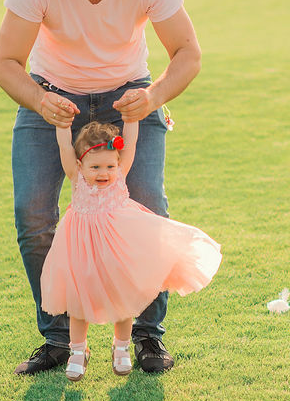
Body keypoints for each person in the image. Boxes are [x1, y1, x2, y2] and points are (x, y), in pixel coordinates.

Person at [0, 0, 203, 375]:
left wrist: (152, 97)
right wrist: (39, 101)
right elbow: (5, 62)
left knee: (148, 207)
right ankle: (60, 340)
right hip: (52, 97)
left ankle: (146, 338)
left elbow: (187, 53)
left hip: (128, 96)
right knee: (33, 212)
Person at [41, 119, 221, 381]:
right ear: (80, 165)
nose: (104, 173)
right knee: (78, 303)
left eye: (110, 166)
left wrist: (131, 118)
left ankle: (121, 346)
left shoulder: (119, 176)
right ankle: (78, 351)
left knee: (123, 301)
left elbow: (132, 143)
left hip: (118, 250)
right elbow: (64, 147)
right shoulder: (77, 178)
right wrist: (62, 125)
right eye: (95, 167)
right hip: (82, 251)